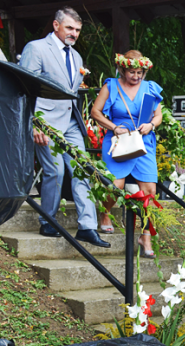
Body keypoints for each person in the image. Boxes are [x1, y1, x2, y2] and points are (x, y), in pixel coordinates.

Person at [19, 6, 110, 248]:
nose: (74, 33)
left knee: (83, 169)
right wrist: (35, 122)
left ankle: (87, 226)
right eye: (69, 27)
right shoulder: (36, 48)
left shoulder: (77, 57)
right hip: (45, 121)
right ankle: (47, 219)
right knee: (56, 172)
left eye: (78, 30)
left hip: (71, 123)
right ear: (56, 25)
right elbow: (26, 90)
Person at [91, 50, 163, 258]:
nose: (136, 76)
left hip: (143, 142)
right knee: (115, 186)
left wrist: (150, 124)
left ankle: (146, 235)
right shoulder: (111, 86)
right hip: (119, 141)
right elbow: (96, 112)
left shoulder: (150, 89)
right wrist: (113, 127)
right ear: (122, 69)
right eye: (132, 72)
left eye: (140, 72)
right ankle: (105, 214)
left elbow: (158, 115)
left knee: (149, 190)